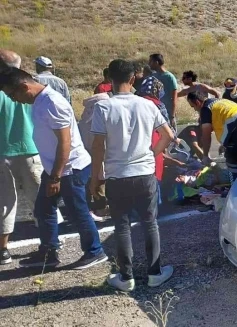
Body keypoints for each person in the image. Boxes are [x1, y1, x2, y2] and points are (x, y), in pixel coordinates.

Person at [0, 66, 107, 269]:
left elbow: (65, 143)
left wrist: (56, 177)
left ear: (24, 86)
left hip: (69, 169)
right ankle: (49, 252)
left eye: (13, 94)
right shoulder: (39, 101)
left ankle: (95, 251)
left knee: (77, 212)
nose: (13, 99)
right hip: (55, 169)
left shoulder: (52, 102)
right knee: (43, 209)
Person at [89, 59, 175, 291]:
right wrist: (152, 153)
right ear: (133, 78)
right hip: (145, 173)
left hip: (117, 176)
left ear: (109, 79)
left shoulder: (103, 107)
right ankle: (154, 273)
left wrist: (96, 177)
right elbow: (168, 135)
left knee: (122, 227)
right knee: (150, 223)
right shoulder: (147, 105)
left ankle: (126, 277)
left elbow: (98, 146)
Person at [0, 50, 44, 264]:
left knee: (4, 201)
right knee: (40, 197)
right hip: (31, 147)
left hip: (3, 151)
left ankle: (3, 250)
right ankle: (49, 241)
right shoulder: (32, 85)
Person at [186, 91, 237, 179]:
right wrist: (224, 144)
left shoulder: (205, 109)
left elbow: (206, 136)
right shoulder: (218, 101)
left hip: (236, 133)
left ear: (197, 102)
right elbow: (226, 119)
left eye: (193, 106)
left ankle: (234, 189)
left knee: (233, 166)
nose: (194, 109)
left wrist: (205, 156)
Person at [149, 54, 178, 129]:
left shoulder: (170, 77)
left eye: (150, 62)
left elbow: (174, 98)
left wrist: (172, 116)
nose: (149, 64)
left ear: (156, 62)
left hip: (167, 113)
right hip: (155, 112)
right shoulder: (153, 76)